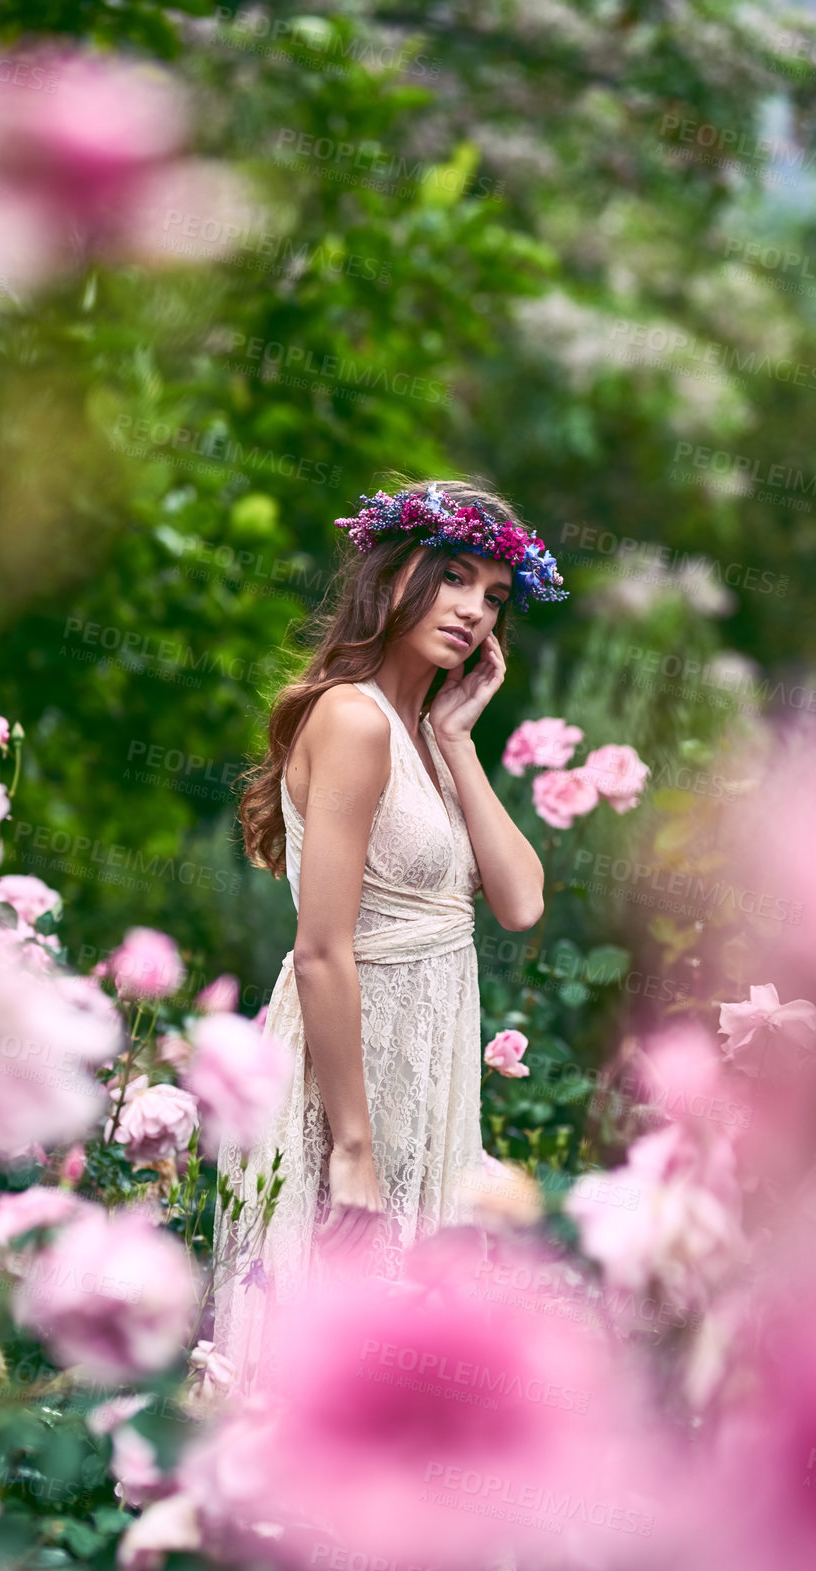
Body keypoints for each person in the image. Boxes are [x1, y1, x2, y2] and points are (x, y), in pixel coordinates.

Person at [212, 477, 568, 1387]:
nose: (473, 613)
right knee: (316, 1368)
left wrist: (456, 741)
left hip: (424, 1079)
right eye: (453, 578)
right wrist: (354, 1150)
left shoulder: (419, 734)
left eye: (493, 598)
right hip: (348, 1091)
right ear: (392, 572)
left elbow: (520, 900)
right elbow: (321, 949)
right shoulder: (351, 720)